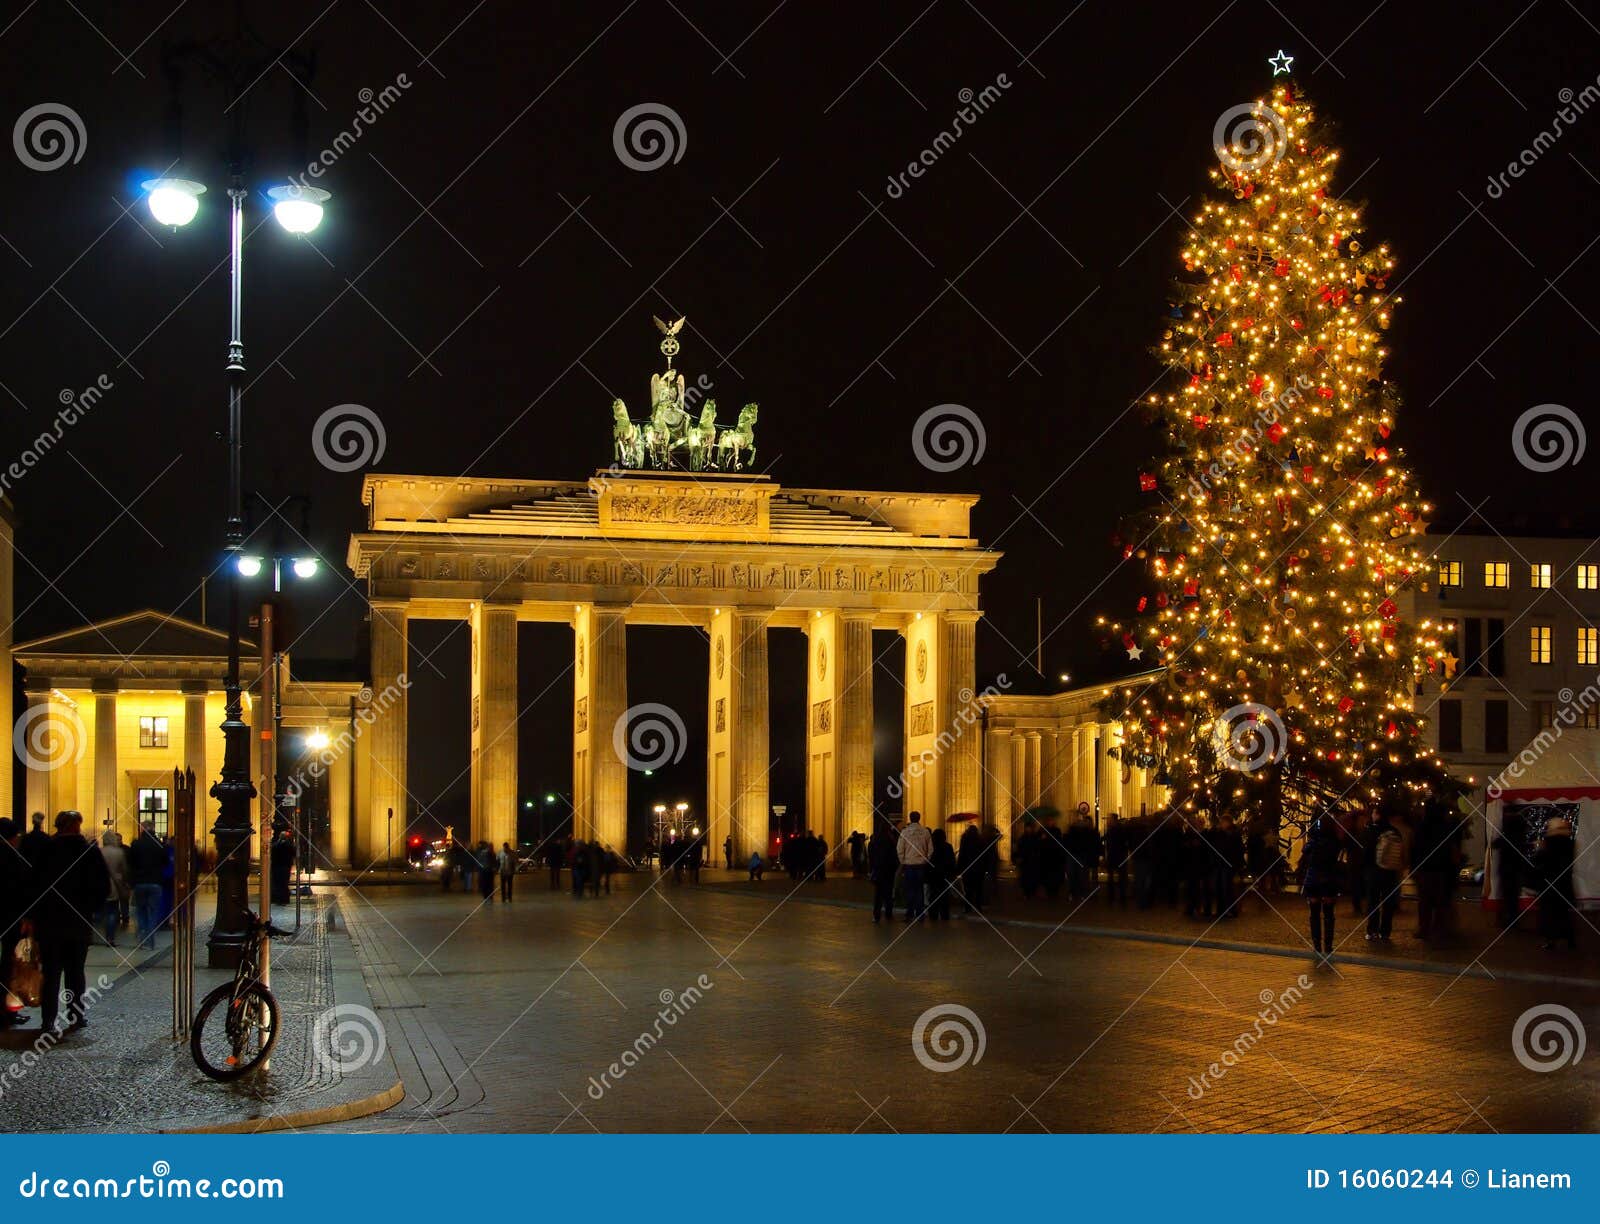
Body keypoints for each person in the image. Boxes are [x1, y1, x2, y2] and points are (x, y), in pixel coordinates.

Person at [29, 812, 109, 1034]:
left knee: (51, 974)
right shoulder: (89, 852)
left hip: (49, 923)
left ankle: (48, 1021)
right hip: (78, 921)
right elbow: (102, 887)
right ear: (76, 826)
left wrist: (35, 915)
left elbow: (33, 886)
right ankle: (76, 1016)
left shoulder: (46, 850)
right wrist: (90, 908)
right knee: (75, 972)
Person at [0, 819, 33, 1028]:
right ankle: (6, 1012)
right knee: (9, 965)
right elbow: (21, 889)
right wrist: (26, 917)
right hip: (9, 916)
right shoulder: (12, 857)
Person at [1300, 812, 1341, 958]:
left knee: (1315, 913)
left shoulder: (1313, 842)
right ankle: (1328, 945)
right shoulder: (1334, 842)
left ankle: (1317, 943)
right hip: (1328, 879)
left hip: (1314, 879)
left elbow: (1305, 854)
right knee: (1328, 913)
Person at [1534, 817, 1578, 951]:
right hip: (1563, 885)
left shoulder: (1548, 844)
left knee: (1549, 914)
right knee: (1563, 914)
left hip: (1549, 885)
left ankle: (1551, 940)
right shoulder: (1569, 844)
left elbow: (1541, 862)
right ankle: (1569, 940)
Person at [1365, 798, 1405, 941]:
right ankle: (1385, 932)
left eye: (1374, 813)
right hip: (1391, 871)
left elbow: (1367, 851)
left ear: (1378, 815)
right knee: (1388, 904)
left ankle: (1372, 931)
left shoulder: (1373, 830)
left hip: (1375, 871)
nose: (1372, 815)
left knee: (1373, 902)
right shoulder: (1395, 831)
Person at [127, 820, 166, 950]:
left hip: (140, 882)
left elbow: (130, 864)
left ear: (142, 829)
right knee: (153, 913)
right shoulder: (159, 844)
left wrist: (131, 881)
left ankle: (143, 939)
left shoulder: (136, 844)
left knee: (141, 912)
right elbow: (165, 862)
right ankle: (150, 942)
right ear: (153, 828)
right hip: (155, 882)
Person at [1492, 806, 1527, 929]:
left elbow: (1496, 844)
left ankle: (1508, 919)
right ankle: (1513, 919)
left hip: (1507, 868)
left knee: (1508, 895)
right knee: (1512, 896)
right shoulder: (1520, 832)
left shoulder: (1508, 833)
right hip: (1515, 868)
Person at [896, 810, 933, 923]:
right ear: (919, 818)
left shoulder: (905, 832)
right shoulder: (925, 832)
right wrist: (926, 860)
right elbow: (930, 849)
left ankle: (909, 914)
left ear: (910, 818)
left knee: (909, 890)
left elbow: (899, 849)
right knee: (919, 890)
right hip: (921, 865)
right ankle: (920, 914)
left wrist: (903, 861)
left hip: (909, 865)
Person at [98, 831, 129, 947]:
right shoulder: (119, 852)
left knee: (104, 912)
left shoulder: (99, 852)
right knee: (113, 911)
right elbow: (124, 869)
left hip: (102, 883)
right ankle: (111, 938)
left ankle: (106, 935)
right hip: (115, 884)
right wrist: (125, 882)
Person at [868, 818, 899, 924]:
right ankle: (888, 914)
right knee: (888, 893)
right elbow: (895, 856)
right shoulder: (891, 840)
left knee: (878, 894)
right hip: (889, 870)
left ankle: (876, 915)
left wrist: (872, 869)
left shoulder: (875, 840)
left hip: (878, 870)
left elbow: (871, 856)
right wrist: (895, 867)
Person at [927, 828, 956, 921]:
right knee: (944, 895)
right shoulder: (948, 847)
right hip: (944, 874)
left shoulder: (931, 846)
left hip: (933, 874)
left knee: (933, 894)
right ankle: (944, 914)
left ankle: (933, 913)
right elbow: (952, 861)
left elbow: (928, 860)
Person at [956, 823, 985, 913]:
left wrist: (959, 868)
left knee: (968, 889)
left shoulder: (965, 839)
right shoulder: (980, 840)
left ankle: (968, 907)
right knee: (978, 889)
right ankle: (978, 906)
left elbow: (962, 854)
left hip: (967, 868)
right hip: (978, 868)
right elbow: (984, 855)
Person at [1104, 814, 1130, 906]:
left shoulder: (1117, 830)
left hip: (1117, 856)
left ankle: (1117, 898)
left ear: (1114, 820)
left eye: (1109, 819)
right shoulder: (1113, 829)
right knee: (1115, 878)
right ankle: (1116, 898)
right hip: (1115, 856)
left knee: (1119, 878)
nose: (1107, 821)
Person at [270, 825, 295, 907]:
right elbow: (293, 854)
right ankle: (283, 899)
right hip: (285, 867)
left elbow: (272, 855)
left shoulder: (275, 845)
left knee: (277, 883)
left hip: (276, 867)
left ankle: (277, 898)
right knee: (284, 883)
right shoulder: (289, 846)